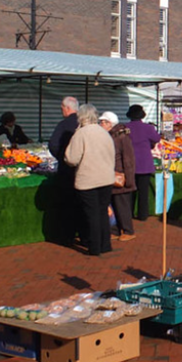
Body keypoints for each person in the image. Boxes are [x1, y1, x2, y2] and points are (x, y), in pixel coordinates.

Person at [64, 104, 116, 256]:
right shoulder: (104, 133)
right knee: (102, 211)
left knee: (92, 214)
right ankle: (105, 244)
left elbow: (71, 158)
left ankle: (95, 247)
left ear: (81, 117)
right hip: (106, 178)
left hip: (88, 180)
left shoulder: (80, 134)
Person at [100, 111, 137, 241]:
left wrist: (129, 179)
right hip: (111, 175)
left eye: (102, 122)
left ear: (109, 123)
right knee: (113, 205)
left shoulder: (122, 137)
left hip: (120, 177)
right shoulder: (111, 136)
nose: (100, 124)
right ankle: (114, 230)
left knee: (122, 205)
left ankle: (128, 230)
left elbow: (128, 160)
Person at [48, 97, 80, 246]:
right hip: (84, 170)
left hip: (67, 170)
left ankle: (67, 235)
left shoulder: (63, 125)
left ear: (66, 108)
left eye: (62, 108)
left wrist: (63, 157)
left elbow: (53, 145)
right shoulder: (84, 124)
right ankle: (83, 233)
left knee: (67, 203)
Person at [125, 105, 161, 223]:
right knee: (143, 192)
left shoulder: (126, 128)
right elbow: (156, 139)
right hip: (145, 164)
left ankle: (128, 214)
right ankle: (142, 214)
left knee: (130, 191)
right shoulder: (148, 128)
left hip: (129, 164)